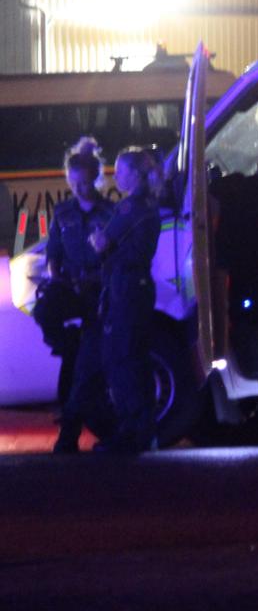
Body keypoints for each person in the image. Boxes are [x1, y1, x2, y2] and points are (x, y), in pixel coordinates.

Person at [89, 147, 162, 454]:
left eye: (120, 171)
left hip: (126, 288)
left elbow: (101, 242)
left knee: (121, 359)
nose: (115, 176)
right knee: (137, 359)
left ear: (134, 174)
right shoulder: (148, 204)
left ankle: (132, 431)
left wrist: (95, 239)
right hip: (137, 287)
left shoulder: (130, 208)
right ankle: (145, 430)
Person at [46, 138, 115, 454]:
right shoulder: (62, 213)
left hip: (99, 296)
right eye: (74, 184)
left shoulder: (111, 212)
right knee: (72, 361)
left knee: (83, 372)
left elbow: (115, 259)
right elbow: (54, 256)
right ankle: (69, 435)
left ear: (97, 180)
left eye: (85, 184)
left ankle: (70, 435)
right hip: (72, 293)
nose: (79, 190)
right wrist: (58, 278)